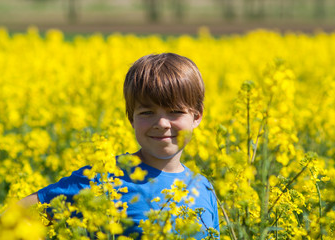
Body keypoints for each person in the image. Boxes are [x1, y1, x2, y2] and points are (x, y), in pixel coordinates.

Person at [18, 53, 219, 239]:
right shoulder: (103, 179)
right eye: (147, 113)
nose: (162, 123)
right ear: (131, 118)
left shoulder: (204, 188)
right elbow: (12, 219)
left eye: (175, 111)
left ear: (197, 115)